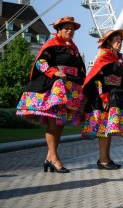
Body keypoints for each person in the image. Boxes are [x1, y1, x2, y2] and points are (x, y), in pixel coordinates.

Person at [16, 16, 86, 173]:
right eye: (66, 28)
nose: (70, 31)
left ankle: (49, 158)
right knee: (53, 123)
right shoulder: (52, 44)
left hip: (69, 88)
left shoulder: (72, 48)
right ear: (59, 30)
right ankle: (54, 158)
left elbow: (80, 68)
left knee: (59, 124)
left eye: (72, 29)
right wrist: (54, 72)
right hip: (54, 88)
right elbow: (40, 63)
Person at [82, 29, 123, 170]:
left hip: (117, 96)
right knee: (104, 129)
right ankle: (103, 160)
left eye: (120, 39)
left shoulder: (119, 58)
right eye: (116, 39)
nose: (120, 42)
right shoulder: (104, 57)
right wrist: (104, 98)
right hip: (106, 96)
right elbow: (97, 80)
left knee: (108, 130)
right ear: (109, 42)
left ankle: (106, 159)